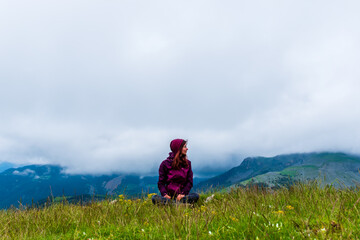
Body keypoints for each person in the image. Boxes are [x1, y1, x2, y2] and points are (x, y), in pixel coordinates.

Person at [152, 139, 199, 205]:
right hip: (169, 197)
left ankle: (173, 204)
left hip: (182, 196)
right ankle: (177, 204)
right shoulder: (165, 164)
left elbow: (189, 182)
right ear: (179, 148)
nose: (187, 149)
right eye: (184, 147)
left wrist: (183, 194)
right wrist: (165, 194)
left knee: (195, 196)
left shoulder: (188, 164)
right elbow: (161, 183)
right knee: (154, 198)